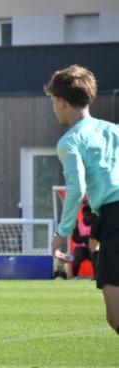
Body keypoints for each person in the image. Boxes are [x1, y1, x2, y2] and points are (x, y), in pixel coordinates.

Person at [47, 65, 119, 336]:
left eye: (53, 102)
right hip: (109, 218)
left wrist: (61, 234)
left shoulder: (70, 141)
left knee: (115, 315)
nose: (54, 108)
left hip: (114, 220)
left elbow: (76, 190)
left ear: (62, 102)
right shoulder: (114, 130)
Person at [69, 204, 96, 278]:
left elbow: (97, 237)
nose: (88, 217)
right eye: (86, 215)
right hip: (81, 248)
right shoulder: (78, 224)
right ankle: (75, 277)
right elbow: (75, 238)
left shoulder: (95, 224)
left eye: (90, 215)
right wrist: (87, 239)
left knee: (97, 255)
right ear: (83, 214)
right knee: (76, 256)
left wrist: (84, 239)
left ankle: (96, 276)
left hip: (92, 247)